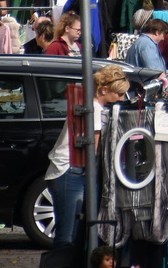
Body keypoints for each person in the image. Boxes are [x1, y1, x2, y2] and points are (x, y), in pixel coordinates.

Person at [45, 65, 127, 250]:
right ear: (104, 90)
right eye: (119, 94)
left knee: (71, 232)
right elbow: (94, 149)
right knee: (68, 235)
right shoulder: (94, 109)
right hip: (69, 170)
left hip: (68, 170)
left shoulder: (90, 104)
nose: (121, 99)